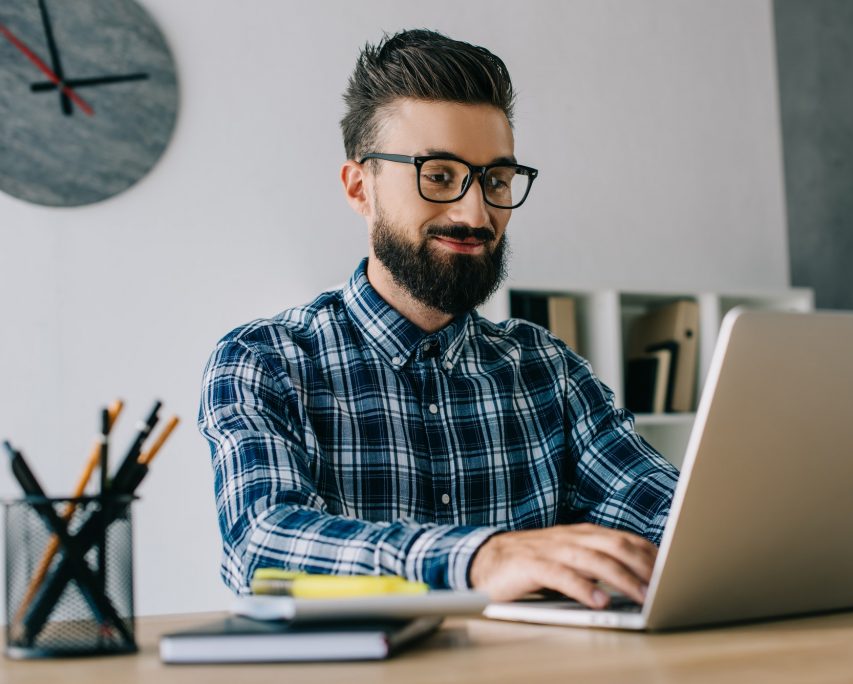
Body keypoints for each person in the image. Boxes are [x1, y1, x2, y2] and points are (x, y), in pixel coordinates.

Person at [198, 29, 678, 610]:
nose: (477, 212)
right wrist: (481, 558)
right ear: (360, 188)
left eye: (496, 180)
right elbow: (263, 548)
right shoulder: (265, 361)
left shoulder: (547, 369)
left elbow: (669, 515)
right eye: (439, 175)